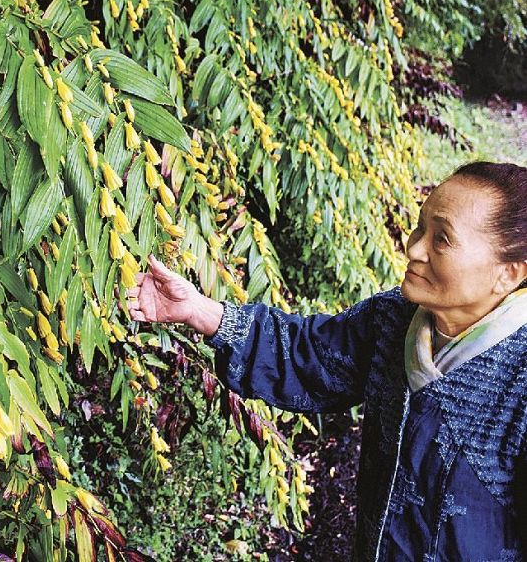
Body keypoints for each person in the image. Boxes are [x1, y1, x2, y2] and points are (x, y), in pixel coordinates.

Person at [126, 161, 527, 561]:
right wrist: (199, 310)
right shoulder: (395, 320)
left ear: (508, 274)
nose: (415, 247)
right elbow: (311, 358)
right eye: (420, 226)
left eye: (442, 239)